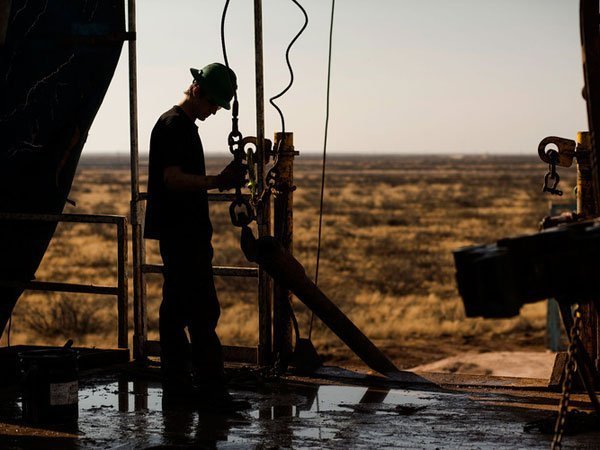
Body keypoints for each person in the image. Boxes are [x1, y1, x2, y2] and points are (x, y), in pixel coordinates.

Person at [144, 63, 245, 398]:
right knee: (202, 311)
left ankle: (179, 391)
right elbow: (172, 179)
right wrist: (218, 181)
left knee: (176, 312)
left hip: (182, 233)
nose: (214, 111)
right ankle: (210, 392)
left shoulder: (181, 126)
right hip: (183, 234)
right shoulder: (174, 126)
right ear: (197, 91)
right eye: (213, 103)